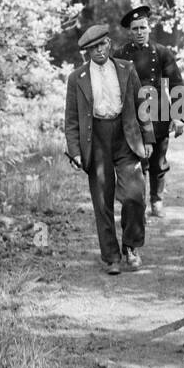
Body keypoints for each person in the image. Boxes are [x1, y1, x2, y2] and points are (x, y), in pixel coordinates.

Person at [64, 24, 153, 274]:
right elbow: (71, 119)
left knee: (134, 195)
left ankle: (131, 246)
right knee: (102, 200)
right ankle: (111, 256)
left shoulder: (127, 69)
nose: (99, 51)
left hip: (126, 137)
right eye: (93, 48)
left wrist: (147, 139)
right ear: (87, 52)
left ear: (110, 44)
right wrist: (75, 151)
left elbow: (142, 106)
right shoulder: (77, 78)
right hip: (96, 141)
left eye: (102, 45)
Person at [113, 5, 184, 217]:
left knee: (159, 162)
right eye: (135, 29)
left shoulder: (161, 52)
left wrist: (178, 117)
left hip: (159, 113)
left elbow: (177, 84)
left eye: (143, 27)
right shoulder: (120, 54)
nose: (139, 32)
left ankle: (157, 200)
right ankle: (140, 202)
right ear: (129, 31)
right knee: (138, 161)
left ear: (149, 28)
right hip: (133, 117)